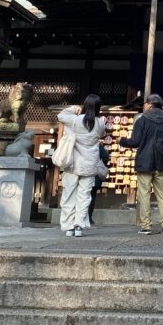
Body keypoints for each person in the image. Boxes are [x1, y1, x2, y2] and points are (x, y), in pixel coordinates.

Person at [119, 93, 163, 235]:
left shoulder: (142, 120)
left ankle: (146, 226)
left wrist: (122, 141)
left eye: (144, 104)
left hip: (144, 160)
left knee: (144, 194)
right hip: (161, 161)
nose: (144, 106)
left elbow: (135, 142)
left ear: (149, 104)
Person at [56, 94, 107, 237]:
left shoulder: (75, 120)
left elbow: (61, 116)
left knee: (69, 194)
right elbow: (102, 134)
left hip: (73, 163)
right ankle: (79, 225)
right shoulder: (100, 123)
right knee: (84, 195)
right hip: (90, 164)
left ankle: (68, 226)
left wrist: (73, 108)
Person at [88, 141, 110, 223]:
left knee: (83, 195)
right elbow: (105, 157)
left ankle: (82, 216)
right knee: (92, 196)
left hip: (86, 174)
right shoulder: (98, 146)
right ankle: (89, 217)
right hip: (96, 176)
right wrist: (100, 163)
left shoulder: (85, 145)